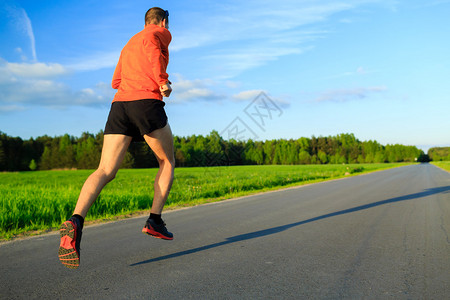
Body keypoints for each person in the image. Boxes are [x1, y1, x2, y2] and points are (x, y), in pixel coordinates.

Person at [58, 7, 175, 269]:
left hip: (120, 105)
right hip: (145, 101)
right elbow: (156, 53)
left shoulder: (128, 43)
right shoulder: (159, 33)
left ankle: (75, 220)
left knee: (105, 169)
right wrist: (162, 81)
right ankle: (154, 220)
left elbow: (115, 80)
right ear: (163, 21)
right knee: (167, 162)